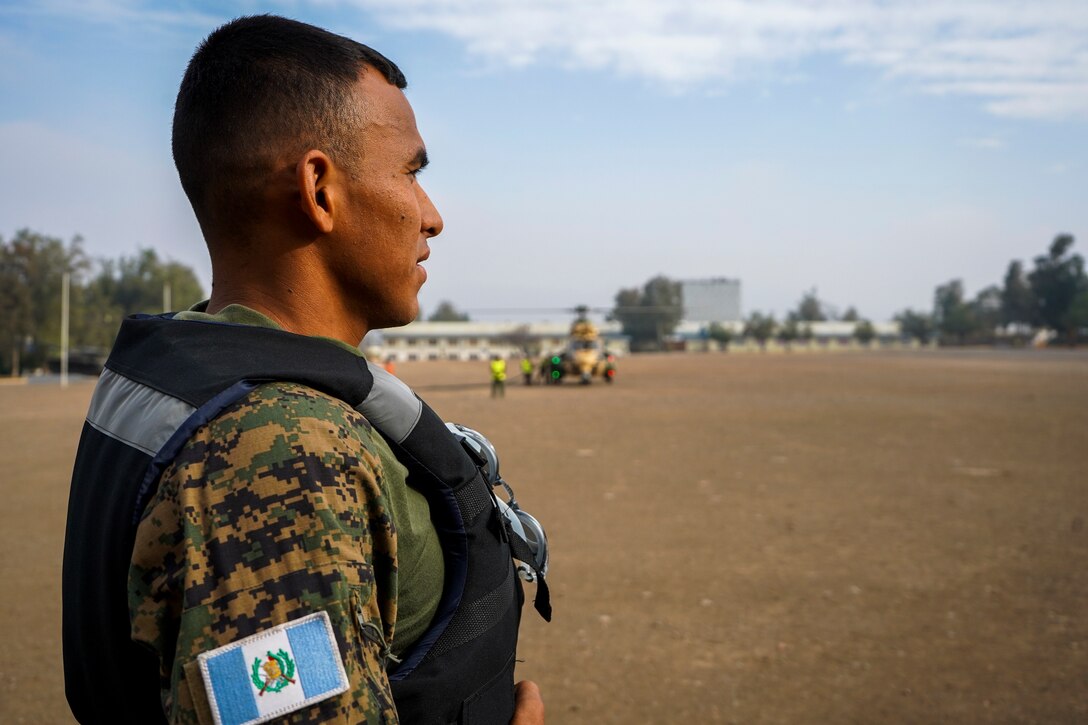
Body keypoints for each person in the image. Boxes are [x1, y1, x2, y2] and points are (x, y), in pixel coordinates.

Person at [62, 15, 546, 725]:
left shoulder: (192, 368)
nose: (432, 215)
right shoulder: (278, 445)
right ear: (320, 188)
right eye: (411, 173)